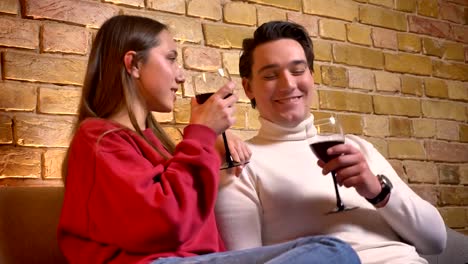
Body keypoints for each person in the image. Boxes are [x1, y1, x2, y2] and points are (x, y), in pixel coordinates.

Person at [57, 15, 361, 264]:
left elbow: (194, 224)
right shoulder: (97, 137)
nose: (181, 76)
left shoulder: (154, 144)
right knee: (333, 254)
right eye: (171, 59)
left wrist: (212, 151)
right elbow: (167, 224)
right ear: (134, 64)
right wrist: (201, 134)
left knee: (333, 248)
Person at [215, 20, 447, 264]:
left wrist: (377, 191)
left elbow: (436, 241)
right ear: (248, 87)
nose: (288, 84)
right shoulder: (241, 164)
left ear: (312, 77)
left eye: (297, 71)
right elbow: (245, 260)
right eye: (271, 75)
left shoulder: (358, 147)